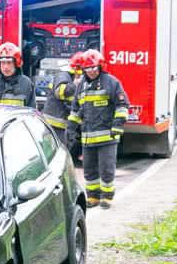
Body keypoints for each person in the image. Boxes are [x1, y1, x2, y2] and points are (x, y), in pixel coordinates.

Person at [66, 49, 129, 209]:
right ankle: (93, 197)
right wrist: (71, 128)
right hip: (87, 138)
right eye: (88, 68)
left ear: (100, 67)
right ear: (83, 70)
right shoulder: (81, 86)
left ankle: (107, 197)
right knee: (89, 169)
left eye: (94, 68)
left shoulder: (111, 82)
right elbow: (75, 109)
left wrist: (117, 125)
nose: (92, 71)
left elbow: (122, 105)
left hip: (107, 137)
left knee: (106, 168)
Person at [42, 51, 83, 159]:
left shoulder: (78, 79)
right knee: (54, 157)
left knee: (62, 156)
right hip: (54, 125)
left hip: (65, 125)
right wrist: (76, 85)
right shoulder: (63, 75)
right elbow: (60, 92)